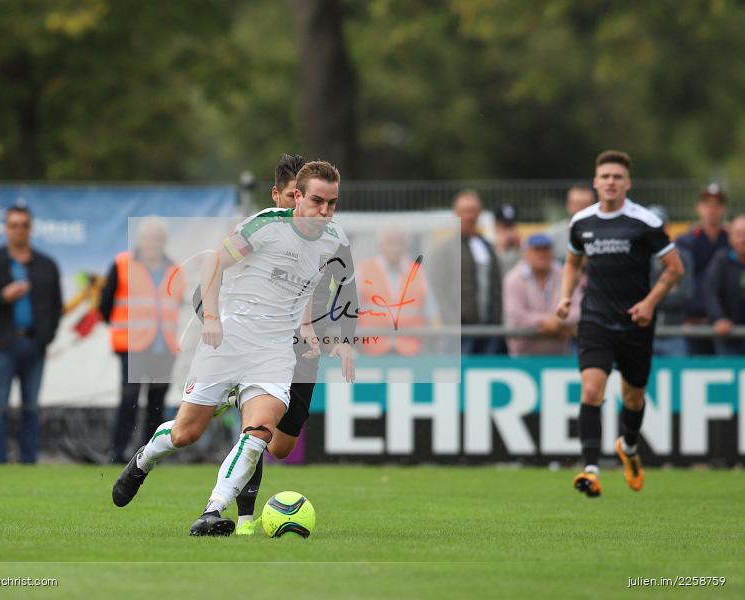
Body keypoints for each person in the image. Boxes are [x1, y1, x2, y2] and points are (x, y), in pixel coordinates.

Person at [112, 161, 355, 537]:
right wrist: (211, 317)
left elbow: (308, 285)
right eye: (318, 201)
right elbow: (214, 264)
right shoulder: (266, 226)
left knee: (259, 432)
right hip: (228, 343)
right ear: (297, 197)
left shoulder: (334, 238)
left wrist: (308, 326)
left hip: (274, 351)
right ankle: (143, 460)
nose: (325, 212)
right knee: (185, 434)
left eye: (332, 203)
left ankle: (213, 510)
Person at [556, 150, 683, 498]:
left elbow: (675, 268)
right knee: (591, 390)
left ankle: (628, 447)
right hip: (595, 319)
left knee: (633, 397)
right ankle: (591, 470)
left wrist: (648, 303)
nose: (611, 182)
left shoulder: (646, 223)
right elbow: (571, 263)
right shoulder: (581, 222)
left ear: (627, 183)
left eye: (617, 177)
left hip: (635, 323)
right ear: (595, 182)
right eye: (605, 176)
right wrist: (566, 297)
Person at [0, 206, 62, 464]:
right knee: (0, 406)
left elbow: (56, 305)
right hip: (3, 344)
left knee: (31, 406)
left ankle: (28, 460)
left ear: (30, 229)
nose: (19, 230)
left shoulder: (46, 265)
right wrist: (2, 296)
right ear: (5, 229)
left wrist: (46, 336)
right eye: (14, 225)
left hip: (34, 344)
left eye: (24, 225)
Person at [100, 217, 184, 464]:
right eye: (148, 237)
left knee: (156, 404)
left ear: (164, 241)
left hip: (164, 347)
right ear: (139, 239)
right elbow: (105, 304)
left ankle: (151, 454)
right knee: (129, 400)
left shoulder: (174, 268)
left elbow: (174, 305)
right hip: (132, 347)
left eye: (157, 238)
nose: (152, 243)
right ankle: (118, 452)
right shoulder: (122, 264)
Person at [430, 190, 503, 354]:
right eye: (465, 211)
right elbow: (439, 288)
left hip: (489, 329)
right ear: (456, 213)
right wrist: (453, 321)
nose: (469, 216)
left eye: (473, 211)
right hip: (461, 332)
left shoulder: (488, 248)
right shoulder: (445, 250)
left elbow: (497, 286)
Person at [356, 226, 437, 356]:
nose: (395, 248)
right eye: (390, 242)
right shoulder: (362, 271)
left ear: (405, 246)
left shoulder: (418, 272)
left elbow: (431, 315)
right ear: (380, 246)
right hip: (371, 351)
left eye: (399, 242)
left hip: (411, 351)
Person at [502, 234, 580, 356]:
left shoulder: (564, 274)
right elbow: (516, 314)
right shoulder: (514, 279)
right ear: (526, 253)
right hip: (523, 354)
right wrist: (547, 322)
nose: (542, 254)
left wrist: (558, 322)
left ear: (552, 252)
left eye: (546, 249)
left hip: (560, 353)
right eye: (536, 250)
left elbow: (578, 307)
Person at [675, 184, 729, 355]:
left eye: (716, 205)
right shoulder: (685, 241)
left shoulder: (731, 240)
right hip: (693, 320)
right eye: (707, 204)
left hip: (726, 323)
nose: (711, 210)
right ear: (698, 208)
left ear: (724, 209)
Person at [646, 205, 693, 357]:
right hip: (645, 333)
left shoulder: (682, 256)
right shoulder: (638, 257)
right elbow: (636, 295)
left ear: (667, 228)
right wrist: (668, 289)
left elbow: (685, 295)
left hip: (675, 333)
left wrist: (651, 298)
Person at [704, 215, 745, 355]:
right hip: (729, 337)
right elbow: (710, 292)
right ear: (731, 237)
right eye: (739, 234)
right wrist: (719, 318)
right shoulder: (721, 260)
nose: (743, 239)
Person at [548, 185, 596, 260]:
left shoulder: (604, 232)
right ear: (568, 205)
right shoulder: (553, 234)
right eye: (577, 204)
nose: (581, 210)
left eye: (585, 205)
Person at [494, 203, 522, 276]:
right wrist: (500, 248)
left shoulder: (521, 245)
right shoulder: (488, 242)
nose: (509, 231)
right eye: (505, 226)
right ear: (496, 225)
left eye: (512, 226)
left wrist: (520, 247)